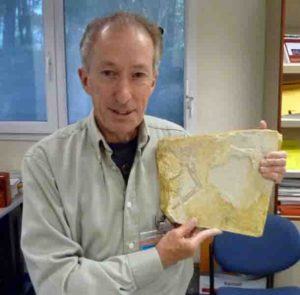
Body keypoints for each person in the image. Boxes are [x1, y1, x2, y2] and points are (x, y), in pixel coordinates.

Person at [21, 12, 287, 295]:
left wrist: (254, 171)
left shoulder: (180, 146)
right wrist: (159, 258)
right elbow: (56, 284)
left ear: (153, 81)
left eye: (138, 75)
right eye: (109, 73)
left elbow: (218, 209)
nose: (123, 94)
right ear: (85, 79)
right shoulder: (46, 163)